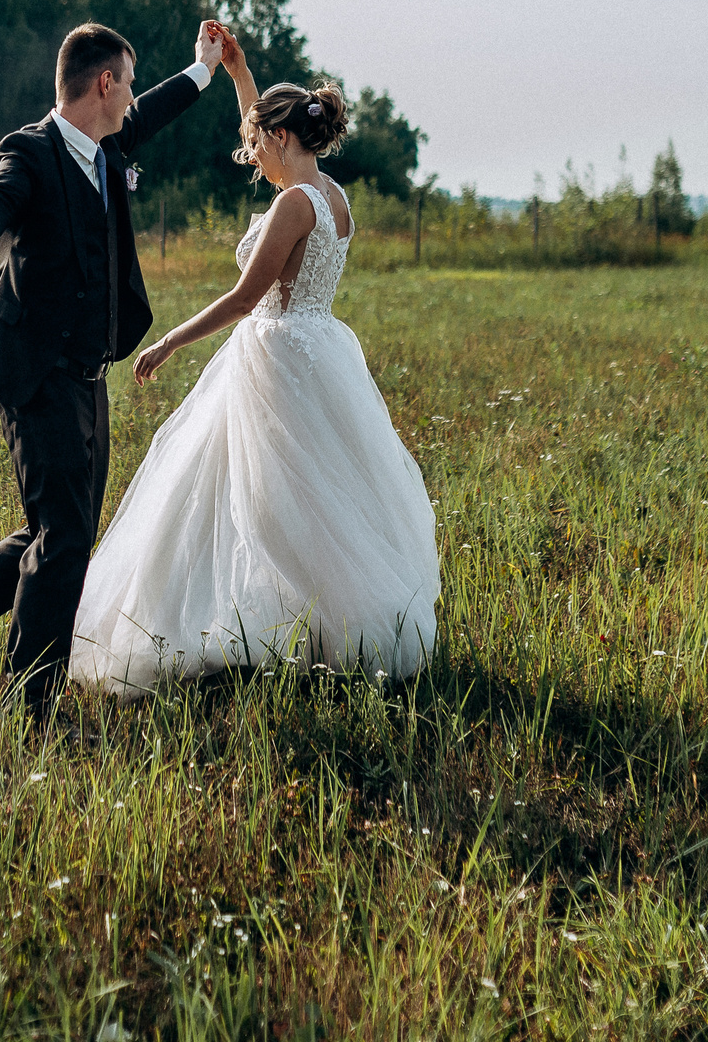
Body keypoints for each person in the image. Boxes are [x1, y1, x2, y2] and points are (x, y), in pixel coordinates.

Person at [0, 18, 233, 719]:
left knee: (58, 527)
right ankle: (30, 704)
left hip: (88, 375)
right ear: (104, 83)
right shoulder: (31, 149)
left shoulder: (109, 146)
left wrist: (203, 68)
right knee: (67, 537)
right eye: (128, 82)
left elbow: (157, 109)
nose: (133, 95)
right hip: (35, 371)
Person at [67, 63, 439, 696]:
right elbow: (260, 129)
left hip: (278, 359)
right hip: (320, 351)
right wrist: (238, 73)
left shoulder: (293, 205)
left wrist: (169, 341)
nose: (252, 153)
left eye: (260, 143)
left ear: (283, 138)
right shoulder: (332, 196)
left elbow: (244, 298)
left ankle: (243, 627)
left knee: (262, 499)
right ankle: (310, 626)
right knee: (317, 496)